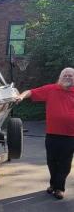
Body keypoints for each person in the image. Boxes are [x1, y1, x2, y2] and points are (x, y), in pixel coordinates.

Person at [17, 67, 74, 199]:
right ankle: (53, 184)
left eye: (70, 76)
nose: (68, 77)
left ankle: (59, 188)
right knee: (51, 161)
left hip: (71, 135)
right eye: (65, 75)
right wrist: (21, 96)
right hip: (52, 133)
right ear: (60, 77)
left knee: (64, 163)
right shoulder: (51, 89)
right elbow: (30, 92)